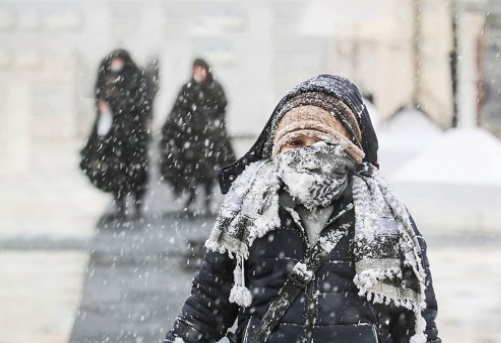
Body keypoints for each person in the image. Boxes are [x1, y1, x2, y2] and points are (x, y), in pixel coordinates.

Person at [165, 75, 441, 343]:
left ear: (350, 149)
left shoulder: (385, 217)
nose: (307, 153)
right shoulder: (251, 208)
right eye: (295, 143)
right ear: (278, 147)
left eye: (323, 142)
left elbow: (416, 323)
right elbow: (205, 308)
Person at [80, 49, 153, 218]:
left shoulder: (136, 77)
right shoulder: (108, 76)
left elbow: (141, 103)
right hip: (116, 136)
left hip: (134, 135)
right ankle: (121, 204)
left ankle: (136, 205)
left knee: (136, 173)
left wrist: (118, 105)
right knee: (116, 172)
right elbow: (100, 96)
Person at [160, 58, 236, 216]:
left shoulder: (214, 87)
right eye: (195, 70)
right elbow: (178, 110)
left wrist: (212, 126)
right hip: (192, 139)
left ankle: (207, 201)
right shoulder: (188, 88)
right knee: (191, 171)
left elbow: (222, 106)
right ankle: (191, 198)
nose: (198, 74)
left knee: (209, 173)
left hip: (210, 139)